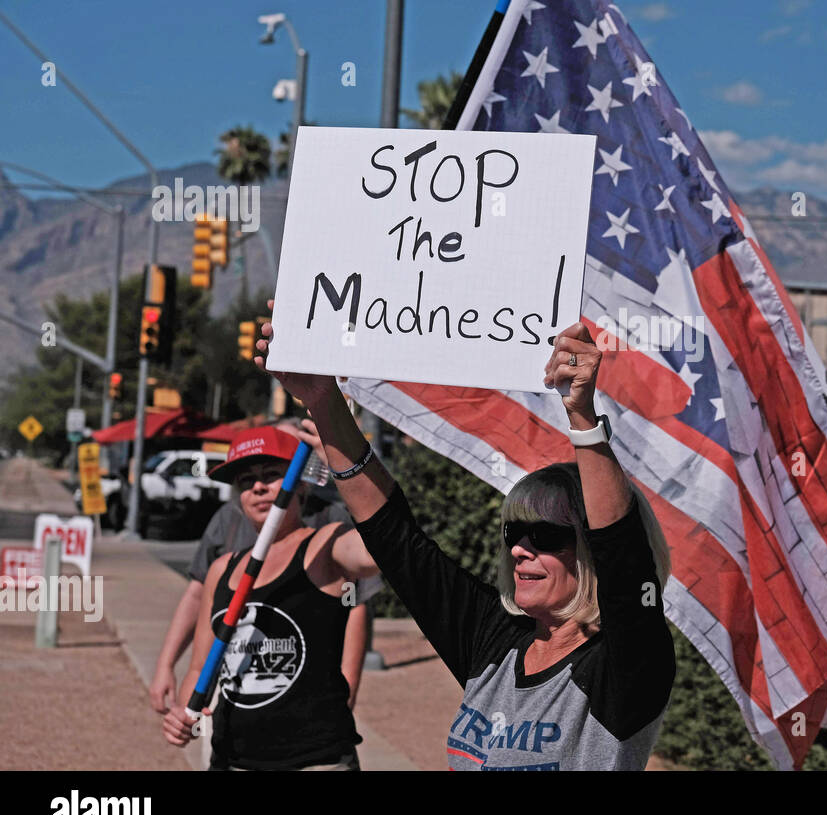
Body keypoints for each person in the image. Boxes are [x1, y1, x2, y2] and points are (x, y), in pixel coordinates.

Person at [256, 303, 675, 770]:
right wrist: (323, 401)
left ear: (591, 553)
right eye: (514, 532)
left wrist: (583, 419)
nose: (519, 549)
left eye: (545, 534)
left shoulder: (627, 665)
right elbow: (397, 543)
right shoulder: (496, 637)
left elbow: (622, 553)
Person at [161, 425, 383, 770]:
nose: (259, 487)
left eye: (272, 474)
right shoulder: (223, 569)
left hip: (314, 760)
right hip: (232, 760)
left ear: (302, 484)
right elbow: (199, 670)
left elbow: (380, 550)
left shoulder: (326, 547)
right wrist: (184, 715)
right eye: (247, 480)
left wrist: (345, 465)